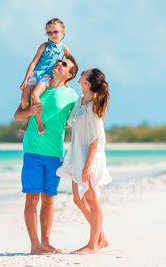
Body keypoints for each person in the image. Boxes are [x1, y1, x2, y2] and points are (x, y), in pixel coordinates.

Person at [14, 57, 78, 255]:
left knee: (49, 199)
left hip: (54, 153)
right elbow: (17, 115)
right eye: (59, 61)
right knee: (32, 198)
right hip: (33, 150)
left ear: (70, 75)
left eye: (65, 64)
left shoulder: (72, 96)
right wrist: (30, 111)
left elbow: (73, 120)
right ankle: (35, 245)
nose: (59, 64)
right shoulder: (37, 88)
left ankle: (46, 243)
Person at [56, 68, 111, 254]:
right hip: (76, 155)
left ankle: (93, 245)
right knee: (78, 200)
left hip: (90, 156)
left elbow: (96, 139)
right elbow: (69, 123)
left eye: (83, 74)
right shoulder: (80, 101)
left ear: (87, 83)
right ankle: (102, 238)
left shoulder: (94, 105)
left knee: (92, 200)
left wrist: (88, 165)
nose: (80, 74)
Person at [19, 18, 72, 133]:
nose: (52, 35)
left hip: (48, 76)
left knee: (34, 95)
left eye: (55, 32)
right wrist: (25, 79)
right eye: (49, 32)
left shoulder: (65, 49)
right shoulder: (44, 46)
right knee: (24, 99)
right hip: (36, 74)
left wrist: (66, 82)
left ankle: (39, 122)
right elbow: (33, 63)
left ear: (62, 32)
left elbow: (70, 66)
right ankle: (28, 121)